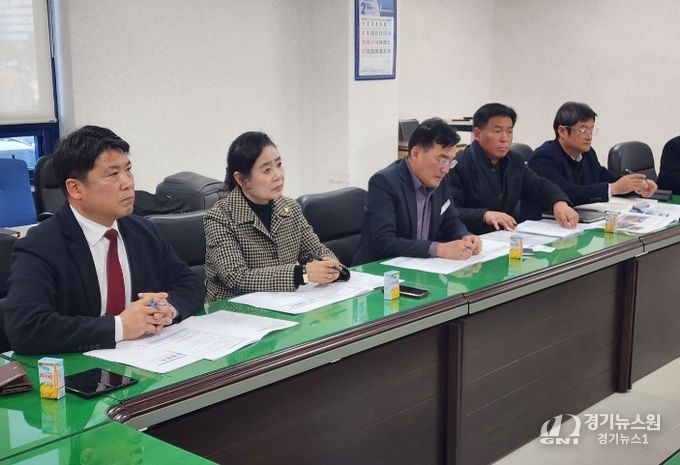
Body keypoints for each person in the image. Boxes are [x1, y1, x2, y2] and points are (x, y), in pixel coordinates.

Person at [4, 126, 205, 355]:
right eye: (113, 174)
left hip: (146, 359)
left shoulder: (144, 231)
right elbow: (26, 327)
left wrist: (167, 308)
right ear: (75, 188)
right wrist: (120, 326)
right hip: (77, 367)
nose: (127, 183)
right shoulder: (40, 245)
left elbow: (190, 284)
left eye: (128, 170)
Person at [204, 131, 341, 301]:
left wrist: (331, 266)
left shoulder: (289, 207)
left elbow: (314, 250)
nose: (278, 175)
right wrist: (301, 274)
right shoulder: (220, 218)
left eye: (279, 164)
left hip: (283, 303)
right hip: (234, 308)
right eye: (267, 170)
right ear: (242, 179)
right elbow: (237, 277)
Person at [352, 117, 481, 265]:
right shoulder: (384, 182)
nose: (446, 169)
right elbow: (384, 241)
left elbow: (451, 220)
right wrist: (438, 249)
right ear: (416, 154)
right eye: (442, 160)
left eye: (451, 161)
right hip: (380, 269)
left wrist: (464, 236)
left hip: (420, 265)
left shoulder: (441, 178)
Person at [448, 103, 579, 235]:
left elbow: (538, 186)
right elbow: (450, 211)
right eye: (497, 131)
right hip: (470, 239)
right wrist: (484, 215)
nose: (504, 138)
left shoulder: (513, 161)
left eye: (509, 132)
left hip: (506, 237)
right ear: (477, 134)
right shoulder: (457, 164)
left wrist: (558, 202)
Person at [529, 101, 657, 205]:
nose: (589, 136)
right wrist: (613, 188)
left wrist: (637, 187)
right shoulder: (543, 158)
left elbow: (609, 179)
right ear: (562, 131)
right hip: (546, 223)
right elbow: (565, 193)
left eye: (591, 130)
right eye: (583, 130)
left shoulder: (587, 154)